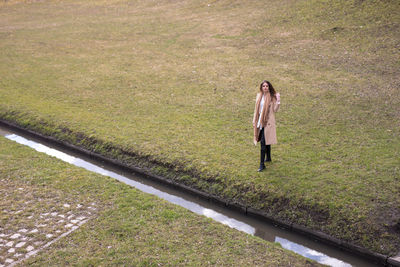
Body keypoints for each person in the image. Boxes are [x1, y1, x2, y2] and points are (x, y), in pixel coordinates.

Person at [252, 80, 280, 172]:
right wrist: (254, 120)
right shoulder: (258, 96)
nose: (265, 87)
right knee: (266, 140)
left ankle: (261, 164)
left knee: (263, 142)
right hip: (259, 120)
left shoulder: (272, 97)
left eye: (267, 86)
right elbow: (256, 109)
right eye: (263, 86)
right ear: (261, 87)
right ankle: (268, 158)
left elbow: (275, 110)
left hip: (267, 122)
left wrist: (278, 101)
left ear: (269, 87)